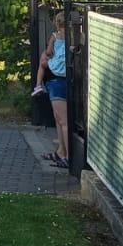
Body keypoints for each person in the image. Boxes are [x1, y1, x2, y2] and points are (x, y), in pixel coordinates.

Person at [35, 12, 71, 167]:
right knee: (59, 119)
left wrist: (48, 54)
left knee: (62, 120)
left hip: (57, 77)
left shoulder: (55, 36)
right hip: (62, 77)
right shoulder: (76, 37)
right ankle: (61, 151)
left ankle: (67, 156)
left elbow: (49, 52)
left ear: (57, 23)